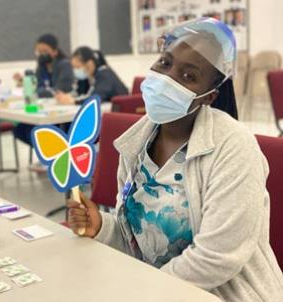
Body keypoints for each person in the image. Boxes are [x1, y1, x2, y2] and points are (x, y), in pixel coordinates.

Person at [67, 18, 283, 301]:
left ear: (209, 96)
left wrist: (141, 290)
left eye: (188, 76)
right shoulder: (137, 142)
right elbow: (138, 239)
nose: (167, 78)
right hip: (157, 290)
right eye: (165, 63)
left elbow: (216, 258)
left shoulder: (234, 147)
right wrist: (102, 226)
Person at [13, 34, 74, 171]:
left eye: (45, 51)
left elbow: (60, 89)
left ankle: (54, 157)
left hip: (63, 110)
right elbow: (36, 87)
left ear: (55, 51)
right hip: (45, 107)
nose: (41, 54)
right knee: (19, 129)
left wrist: (43, 90)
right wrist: (43, 90)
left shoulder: (64, 65)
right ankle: (49, 155)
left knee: (40, 129)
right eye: (38, 51)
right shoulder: (41, 66)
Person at [55, 46, 128, 105]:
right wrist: (67, 96)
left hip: (120, 114)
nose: (76, 71)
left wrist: (73, 102)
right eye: (74, 68)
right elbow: (81, 93)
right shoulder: (91, 76)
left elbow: (95, 99)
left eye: (78, 67)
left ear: (89, 64)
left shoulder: (104, 74)